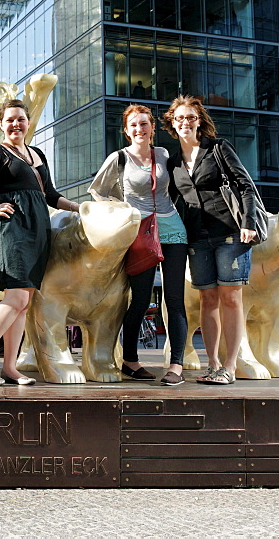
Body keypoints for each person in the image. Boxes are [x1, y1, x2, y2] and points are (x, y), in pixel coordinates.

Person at [0, 99, 80, 386]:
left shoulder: (36, 154)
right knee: (16, 297)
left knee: (24, 302)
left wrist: (79, 207)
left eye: (21, 119)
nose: (16, 124)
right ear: (1, 124)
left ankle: (10, 368)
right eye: (10, 119)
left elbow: (49, 194)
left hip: (37, 230)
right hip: (11, 230)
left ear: (28, 123)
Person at [89, 104, 189, 386]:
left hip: (172, 229)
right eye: (134, 125)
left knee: (175, 301)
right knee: (141, 300)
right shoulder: (119, 158)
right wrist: (121, 211)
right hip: (139, 232)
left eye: (144, 124)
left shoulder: (163, 154)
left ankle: (176, 366)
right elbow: (97, 190)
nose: (139, 129)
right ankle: (131, 360)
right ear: (126, 130)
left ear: (152, 128)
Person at [164, 95, 259, 385]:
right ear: (172, 123)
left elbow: (245, 186)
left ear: (199, 121)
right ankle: (213, 363)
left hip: (230, 232)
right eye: (179, 118)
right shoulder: (173, 161)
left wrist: (249, 223)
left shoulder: (218, 148)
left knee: (231, 297)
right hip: (197, 237)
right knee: (207, 298)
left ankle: (230, 366)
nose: (185, 122)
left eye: (190, 117)